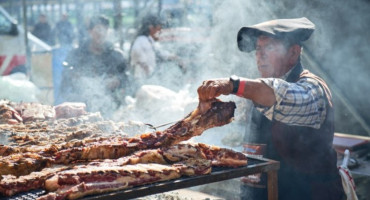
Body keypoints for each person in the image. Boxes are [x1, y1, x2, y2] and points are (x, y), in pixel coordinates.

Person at [197, 18, 345, 200]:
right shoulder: (257, 91)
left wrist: (232, 85)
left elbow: (282, 94)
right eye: (258, 49)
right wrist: (210, 108)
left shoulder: (312, 89)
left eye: (269, 48)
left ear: (293, 53)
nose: (260, 55)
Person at [58, 15, 128, 118]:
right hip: (81, 107)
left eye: (105, 29)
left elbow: (126, 77)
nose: (102, 33)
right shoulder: (77, 54)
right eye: (98, 28)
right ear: (90, 31)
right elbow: (65, 76)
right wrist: (75, 77)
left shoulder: (117, 55)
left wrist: (118, 80)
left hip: (110, 107)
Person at [129, 14, 185, 88]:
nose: (160, 32)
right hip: (142, 82)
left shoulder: (150, 41)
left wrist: (177, 58)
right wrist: (145, 67)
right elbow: (137, 54)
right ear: (151, 28)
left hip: (149, 81)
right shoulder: (141, 41)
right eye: (159, 29)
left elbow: (161, 53)